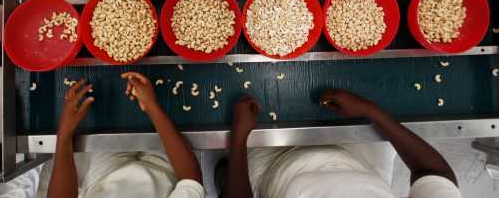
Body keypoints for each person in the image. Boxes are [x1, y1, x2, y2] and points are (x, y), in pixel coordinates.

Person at [223, 90, 461, 198]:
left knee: (226, 173)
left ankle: (223, 172)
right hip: (359, 163)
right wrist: (370, 111)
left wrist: (239, 137)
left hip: (274, 172)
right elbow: (435, 173)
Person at [37, 73, 204, 197]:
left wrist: (65, 133)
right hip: (166, 168)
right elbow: (191, 179)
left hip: (105, 172)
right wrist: (151, 106)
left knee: (110, 111)